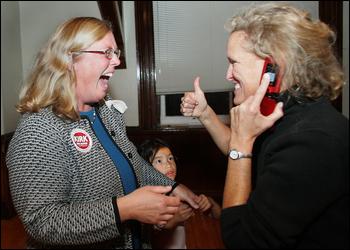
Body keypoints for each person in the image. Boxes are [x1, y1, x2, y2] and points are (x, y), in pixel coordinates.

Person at [6, 17, 200, 249]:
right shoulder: (38, 130)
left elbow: (133, 162)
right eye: (107, 52)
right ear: (69, 59)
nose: (117, 61)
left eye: (116, 52)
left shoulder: (106, 113)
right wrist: (125, 210)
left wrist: (174, 187)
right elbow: (42, 222)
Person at [180, 2, 348, 249]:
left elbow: (242, 240)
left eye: (233, 62)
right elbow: (242, 155)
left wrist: (241, 141)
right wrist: (206, 114)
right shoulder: (287, 114)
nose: (227, 74)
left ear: (274, 69)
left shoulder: (312, 141)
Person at [138, 138, 222, 249]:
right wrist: (174, 220)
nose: (169, 164)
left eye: (170, 158)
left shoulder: (180, 192)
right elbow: (148, 238)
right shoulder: (145, 199)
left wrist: (208, 203)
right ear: (146, 170)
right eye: (159, 161)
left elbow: (219, 215)